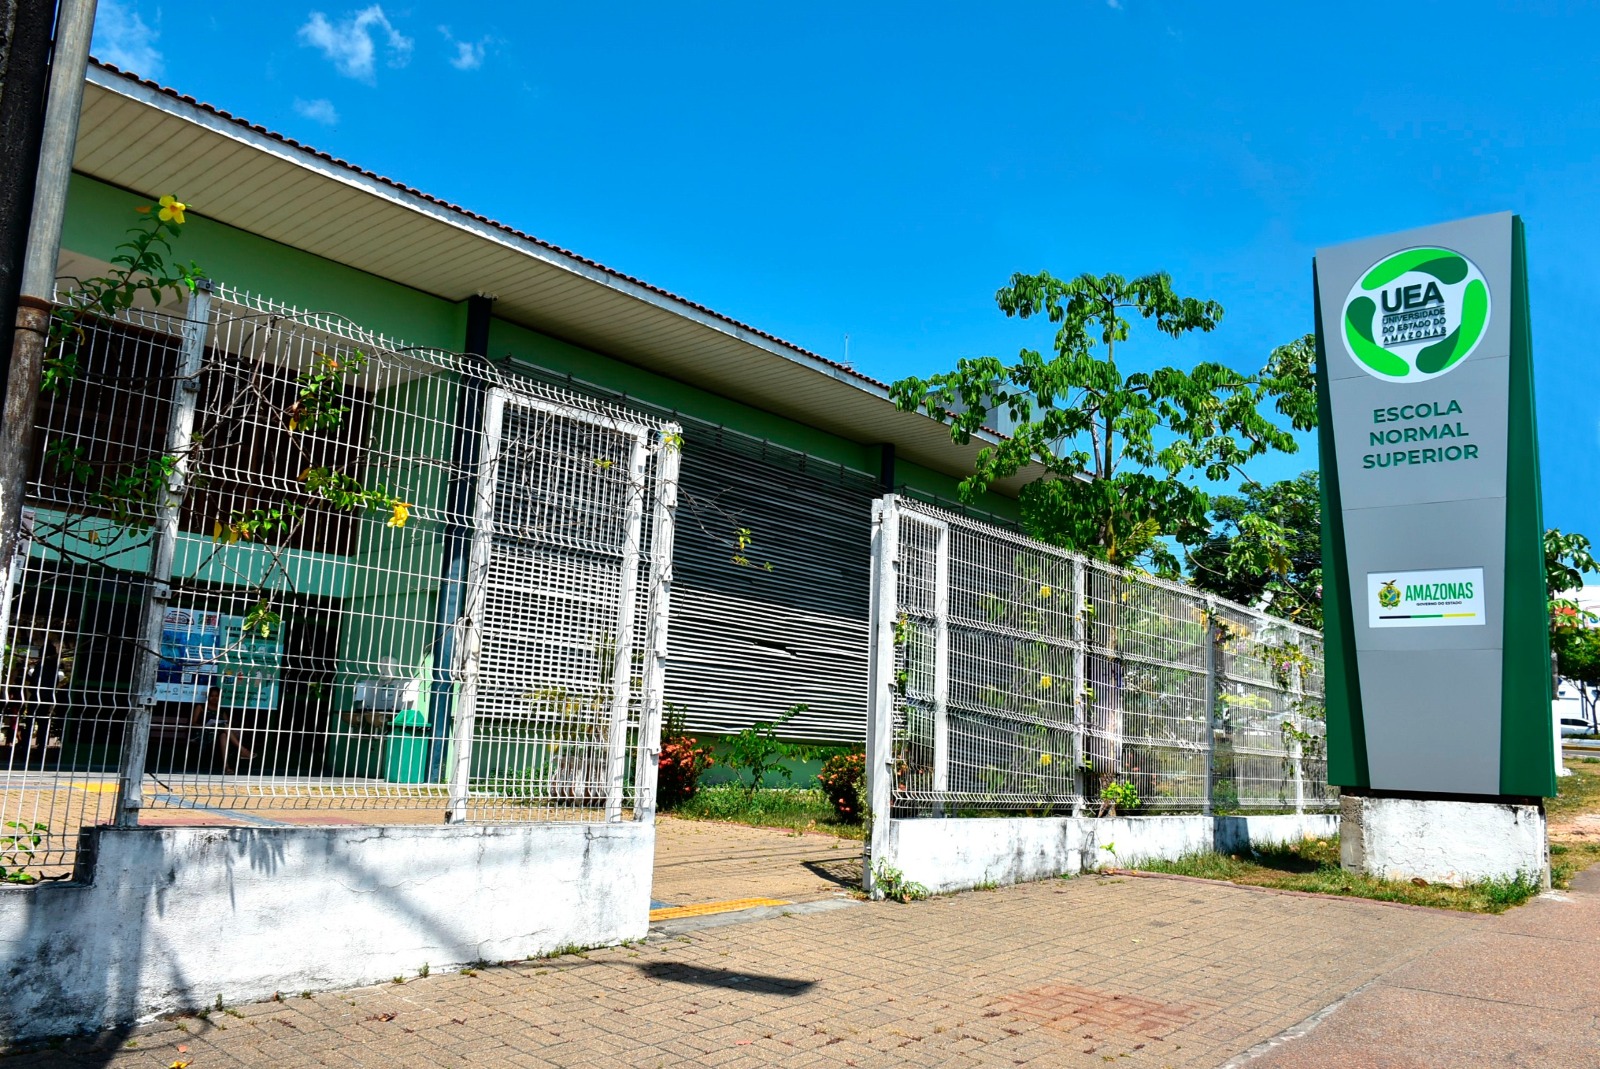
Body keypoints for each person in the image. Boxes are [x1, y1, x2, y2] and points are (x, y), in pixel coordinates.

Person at [190, 686, 251, 773]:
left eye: (216, 696)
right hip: (202, 734)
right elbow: (193, 723)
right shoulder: (201, 707)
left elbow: (227, 724)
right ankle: (243, 750)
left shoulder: (221, 710)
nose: (214, 698)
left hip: (217, 735)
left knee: (223, 735)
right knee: (224, 728)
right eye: (212, 696)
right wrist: (205, 726)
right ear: (208, 696)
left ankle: (227, 767)